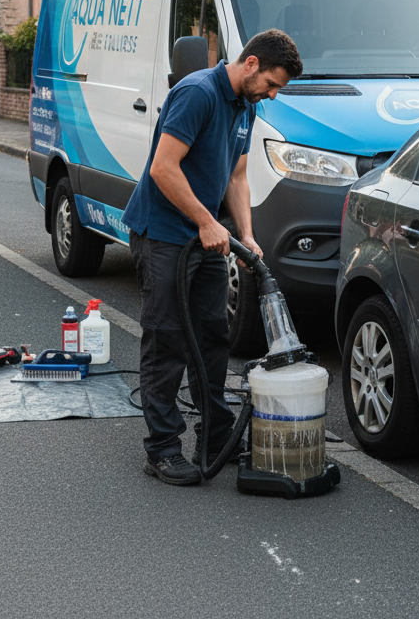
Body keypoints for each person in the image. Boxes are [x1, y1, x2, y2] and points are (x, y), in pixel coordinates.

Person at [122, 28, 303, 485]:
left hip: (206, 238)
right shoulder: (197, 94)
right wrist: (206, 221)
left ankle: (216, 433)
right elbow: (164, 168)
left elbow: (237, 176)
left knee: (212, 337)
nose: (273, 95)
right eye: (272, 84)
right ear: (252, 64)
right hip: (164, 235)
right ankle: (161, 448)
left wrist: (246, 233)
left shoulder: (247, 105)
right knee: (168, 341)